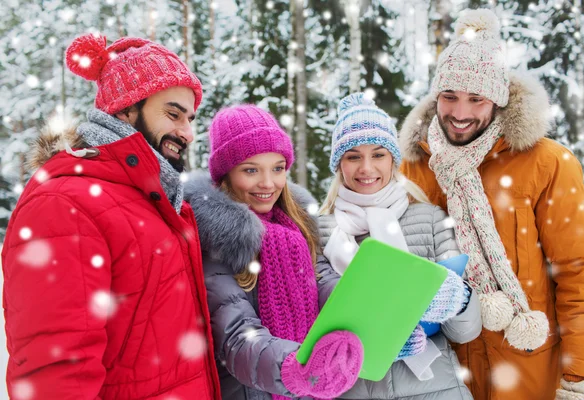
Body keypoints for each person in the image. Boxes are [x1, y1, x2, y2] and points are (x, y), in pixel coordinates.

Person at [1, 33, 221, 399]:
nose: (187, 132)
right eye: (172, 113)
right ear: (125, 109)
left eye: (191, 118)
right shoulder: (64, 203)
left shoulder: (157, 201)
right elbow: (55, 374)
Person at [399, 9, 584, 400]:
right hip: (444, 379)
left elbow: (583, 274)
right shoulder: (413, 167)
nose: (460, 113)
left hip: (530, 373)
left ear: (498, 99)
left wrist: (582, 380)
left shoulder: (546, 163)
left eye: (476, 99)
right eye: (449, 96)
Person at [184, 104, 364, 400]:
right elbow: (236, 338)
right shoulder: (216, 243)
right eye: (251, 170)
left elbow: (326, 285)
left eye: (277, 168)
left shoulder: (298, 227)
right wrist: (297, 368)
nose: (268, 183)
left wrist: (370, 328)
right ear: (225, 175)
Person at [317, 92, 481, 398]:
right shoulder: (319, 233)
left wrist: (459, 298)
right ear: (339, 165)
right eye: (353, 156)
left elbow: (465, 331)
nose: (366, 168)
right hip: (352, 389)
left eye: (378, 154)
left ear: (394, 159)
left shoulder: (431, 220)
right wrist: (373, 334)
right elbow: (315, 321)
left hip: (435, 388)